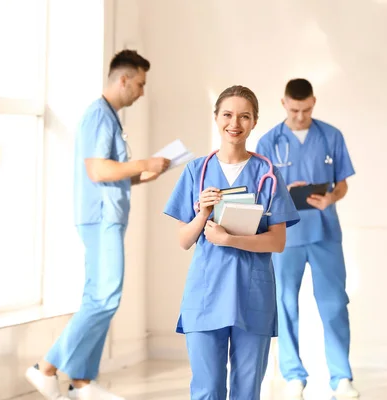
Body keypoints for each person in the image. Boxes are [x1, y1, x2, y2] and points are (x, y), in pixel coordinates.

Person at [25, 50, 171, 400]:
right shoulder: (98, 117)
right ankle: (45, 367)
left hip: (108, 215)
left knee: (97, 296)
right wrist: (143, 162)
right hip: (100, 218)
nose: (141, 92)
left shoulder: (110, 118)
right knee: (105, 297)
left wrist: (143, 174)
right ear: (123, 79)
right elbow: (98, 171)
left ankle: (81, 382)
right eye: (139, 84)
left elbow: (110, 174)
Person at [163, 85, 300, 400]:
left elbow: (277, 241)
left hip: (252, 296)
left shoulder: (268, 174)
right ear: (216, 118)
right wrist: (203, 214)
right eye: (227, 114)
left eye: (244, 116)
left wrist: (229, 239)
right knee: (207, 390)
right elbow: (184, 240)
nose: (234, 123)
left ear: (254, 122)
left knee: (246, 391)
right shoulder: (197, 171)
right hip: (206, 294)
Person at [255, 78, 359, 398]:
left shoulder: (331, 136)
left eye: (307, 109)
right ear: (284, 103)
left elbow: (342, 183)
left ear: (314, 102)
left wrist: (330, 198)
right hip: (285, 234)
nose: (301, 116)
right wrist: (282, 193)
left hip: (325, 231)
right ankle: (293, 376)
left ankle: (341, 377)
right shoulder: (268, 142)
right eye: (295, 109)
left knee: (334, 304)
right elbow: (259, 191)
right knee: (285, 303)